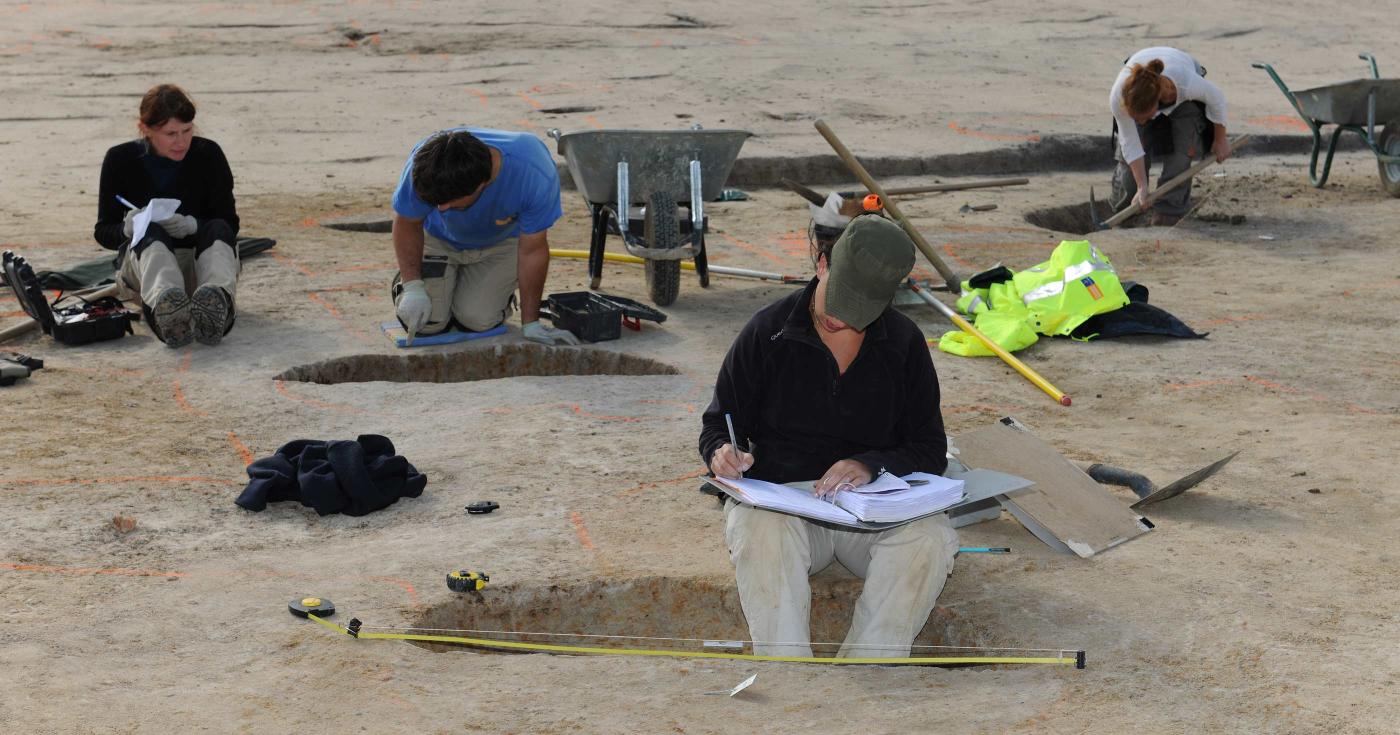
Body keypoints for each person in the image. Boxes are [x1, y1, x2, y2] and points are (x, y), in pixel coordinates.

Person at [698, 214, 957, 658]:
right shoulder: (767, 332)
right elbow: (717, 425)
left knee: (932, 538)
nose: (841, 318)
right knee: (755, 526)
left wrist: (871, 464)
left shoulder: (903, 342)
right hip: (788, 509)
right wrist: (722, 452)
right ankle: (790, 672)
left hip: (872, 514)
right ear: (822, 265)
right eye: (840, 298)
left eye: (861, 309)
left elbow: (931, 448)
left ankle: (867, 670)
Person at [390, 127, 579, 345]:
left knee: (478, 320)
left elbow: (532, 250)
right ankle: (407, 284)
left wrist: (531, 323)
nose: (441, 208)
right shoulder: (427, 163)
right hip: (438, 238)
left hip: (500, 244)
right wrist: (413, 286)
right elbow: (407, 221)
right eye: (437, 202)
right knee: (428, 322)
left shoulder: (533, 172)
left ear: (482, 185)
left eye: (450, 201)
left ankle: (471, 290)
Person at [95, 84, 240, 347]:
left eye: (187, 130)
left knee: (217, 228)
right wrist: (127, 228)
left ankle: (217, 303)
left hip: (201, 269)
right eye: (170, 133)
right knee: (150, 231)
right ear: (146, 129)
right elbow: (103, 230)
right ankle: (168, 314)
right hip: (149, 273)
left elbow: (229, 223)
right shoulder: (119, 159)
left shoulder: (209, 154)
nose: (181, 141)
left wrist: (192, 225)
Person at [1109, 47, 1231, 226]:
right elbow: (1130, 144)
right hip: (1144, 85)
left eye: (1144, 118)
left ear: (1157, 102)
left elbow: (1217, 99)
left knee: (1182, 154)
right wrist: (1142, 186)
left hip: (1184, 94)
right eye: (1136, 118)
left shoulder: (1187, 84)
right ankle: (1124, 214)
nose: (1141, 123)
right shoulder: (1119, 97)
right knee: (1128, 164)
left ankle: (1168, 213)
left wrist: (1220, 140)